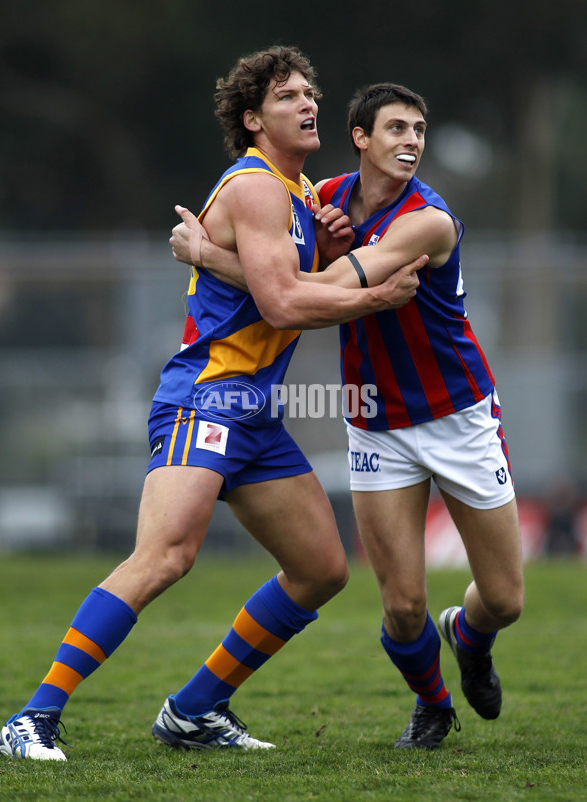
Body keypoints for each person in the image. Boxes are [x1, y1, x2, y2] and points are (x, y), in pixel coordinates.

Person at [0, 49, 425, 762]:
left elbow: (271, 284)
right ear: (254, 120)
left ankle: (194, 711)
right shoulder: (257, 188)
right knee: (164, 556)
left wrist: (304, 250)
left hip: (253, 411)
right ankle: (32, 717)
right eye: (288, 96)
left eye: (311, 93)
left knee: (321, 568)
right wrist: (371, 298)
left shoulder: (302, 193)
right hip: (206, 398)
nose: (309, 103)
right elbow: (283, 304)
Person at [171, 82, 525, 751]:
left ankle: (469, 638)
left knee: (505, 598)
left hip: (458, 414)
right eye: (396, 128)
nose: (412, 141)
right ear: (360, 138)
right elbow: (285, 275)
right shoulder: (318, 198)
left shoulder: (429, 221)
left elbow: (320, 289)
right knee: (400, 604)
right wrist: (284, 248)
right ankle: (433, 706)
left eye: (419, 130)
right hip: (373, 418)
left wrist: (210, 257)